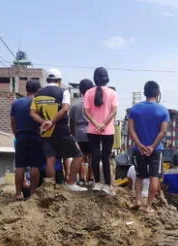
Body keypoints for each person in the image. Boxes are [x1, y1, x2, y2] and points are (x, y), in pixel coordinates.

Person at [30, 68, 86, 192]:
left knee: (50, 158)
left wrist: (44, 122)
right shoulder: (63, 92)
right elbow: (65, 109)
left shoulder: (38, 94)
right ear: (59, 81)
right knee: (78, 155)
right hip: (61, 130)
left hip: (45, 131)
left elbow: (32, 112)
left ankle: (51, 187)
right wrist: (52, 122)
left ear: (47, 80)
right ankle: (71, 182)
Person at [127, 80, 169, 213]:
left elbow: (131, 130)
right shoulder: (163, 110)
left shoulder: (134, 109)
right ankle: (148, 206)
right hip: (156, 150)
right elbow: (162, 132)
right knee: (154, 176)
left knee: (139, 176)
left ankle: (138, 200)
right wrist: (152, 147)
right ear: (158, 93)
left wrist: (140, 145)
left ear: (145, 93)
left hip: (139, 149)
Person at [83, 67, 118, 195]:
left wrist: (96, 124)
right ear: (106, 78)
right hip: (108, 130)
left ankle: (97, 182)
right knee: (106, 157)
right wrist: (104, 124)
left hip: (92, 129)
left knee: (95, 156)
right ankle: (107, 185)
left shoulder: (88, 92)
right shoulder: (112, 93)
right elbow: (114, 111)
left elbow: (86, 112)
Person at [11, 79, 44, 199]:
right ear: (39, 90)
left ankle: (18, 193)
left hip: (20, 136)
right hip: (35, 135)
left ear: (26, 89)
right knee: (34, 165)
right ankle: (33, 193)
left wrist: (16, 134)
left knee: (20, 166)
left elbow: (13, 122)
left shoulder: (16, 103)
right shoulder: (39, 103)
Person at [69, 79, 95, 187]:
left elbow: (71, 121)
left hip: (78, 132)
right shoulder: (94, 104)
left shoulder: (75, 104)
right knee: (92, 156)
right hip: (92, 131)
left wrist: (73, 134)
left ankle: (81, 179)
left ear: (80, 90)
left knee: (80, 157)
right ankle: (91, 179)